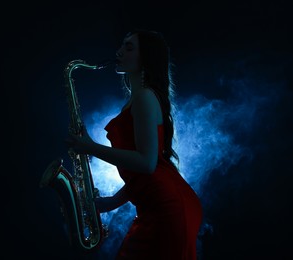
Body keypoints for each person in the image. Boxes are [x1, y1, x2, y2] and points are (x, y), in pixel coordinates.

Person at [65, 29, 203, 259]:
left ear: (146, 57)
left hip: (168, 209)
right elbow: (145, 172)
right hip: (160, 208)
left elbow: (147, 164)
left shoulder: (144, 97)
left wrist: (90, 147)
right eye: (121, 45)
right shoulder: (139, 98)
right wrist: (111, 202)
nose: (119, 52)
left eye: (129, 47)